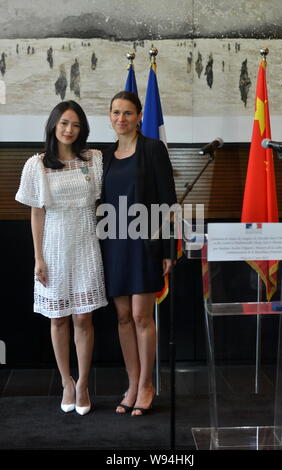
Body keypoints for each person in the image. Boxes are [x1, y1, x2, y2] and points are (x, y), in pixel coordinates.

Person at [15, 100, 107, 415]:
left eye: (76, 125)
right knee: (58, 318)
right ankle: (66, 381)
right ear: (54, 124)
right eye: (65, 123)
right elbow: (36, 214)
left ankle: (83, 383)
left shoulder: (93, 160)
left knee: (83, 317)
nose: (69, 130)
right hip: (53, 246)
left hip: (85, 244)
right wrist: (38, 257)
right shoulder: (37, 165)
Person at [99, 91, 177, 416]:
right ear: (110, 116)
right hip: (113, 244)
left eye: (127, 113)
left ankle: (147, 384)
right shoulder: (104, 156)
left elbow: (168, 202)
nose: (121, 118)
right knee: (122, 317)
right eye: (116, 112)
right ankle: (132, 384)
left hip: (144, 243)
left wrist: (168, 248)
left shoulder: (153, 150)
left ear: (139, 115)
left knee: (143, 316)